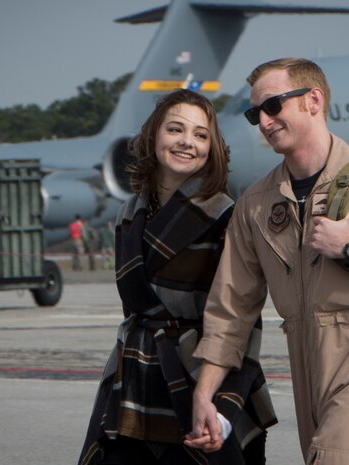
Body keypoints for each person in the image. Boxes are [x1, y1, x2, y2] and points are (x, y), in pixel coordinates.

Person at [186, 58, 349, 465]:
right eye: (254, 112)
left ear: (313, 100)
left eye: (273, 105)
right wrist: (204, 393)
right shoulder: (255, 205)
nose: (263, 121)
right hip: (305, 360)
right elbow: (231, 308)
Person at [77, 89, 276, 465]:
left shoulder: (226, 217)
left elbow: (242, 319)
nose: (188, 142)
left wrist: (222, 408)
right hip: (135, 375)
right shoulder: (127, 214)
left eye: (201, 135)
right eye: (175, 129)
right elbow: (134, 307)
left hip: (204, 374)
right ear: (154, 136)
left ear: (212, 147)